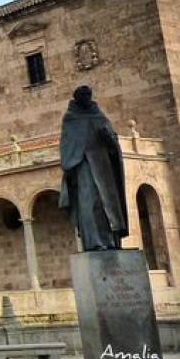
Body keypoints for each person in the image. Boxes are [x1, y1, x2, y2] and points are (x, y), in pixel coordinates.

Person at [59, 85, 128, 251]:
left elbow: (113, 141)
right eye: (83, 95)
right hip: (83, 165)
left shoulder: (99, 116)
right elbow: (67, 144)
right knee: (88, 203)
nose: (87, 98)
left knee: (107, 204)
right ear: (77, 98)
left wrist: (109, 139)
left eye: (88, 95)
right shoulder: (70, 118)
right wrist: (72, 166)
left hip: (103, 165)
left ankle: (110, 241)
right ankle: (93, 242)